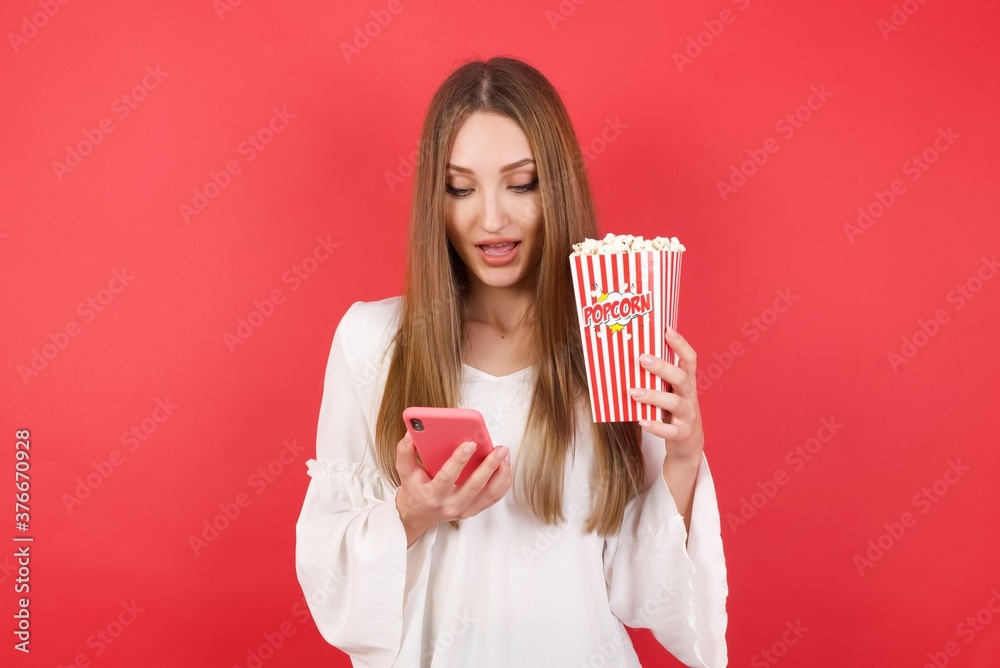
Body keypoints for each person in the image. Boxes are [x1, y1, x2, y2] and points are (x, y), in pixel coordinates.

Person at [295, 56, 727, 668]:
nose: (491, 218)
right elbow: (328, 574)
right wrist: (413, 512)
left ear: (558, 186)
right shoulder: (373, 341)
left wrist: (683, 457)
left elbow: (640, 590)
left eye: (521, 184)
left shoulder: (615, 339)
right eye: (461, 188)